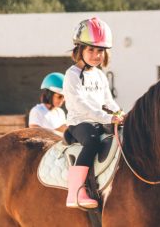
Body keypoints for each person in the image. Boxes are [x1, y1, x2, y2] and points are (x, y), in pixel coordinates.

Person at [63, 17, 124, 209]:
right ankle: (76, 191)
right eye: (91, 49)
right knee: (93, 141)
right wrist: (108, 117)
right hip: (79, 124)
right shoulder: (71, 75)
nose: (96, 55)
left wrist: (121, 113)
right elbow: (82, 106)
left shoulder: (99, 75)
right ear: (79, 49)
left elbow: (108, 100)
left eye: (100, 51)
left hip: (98, 121)